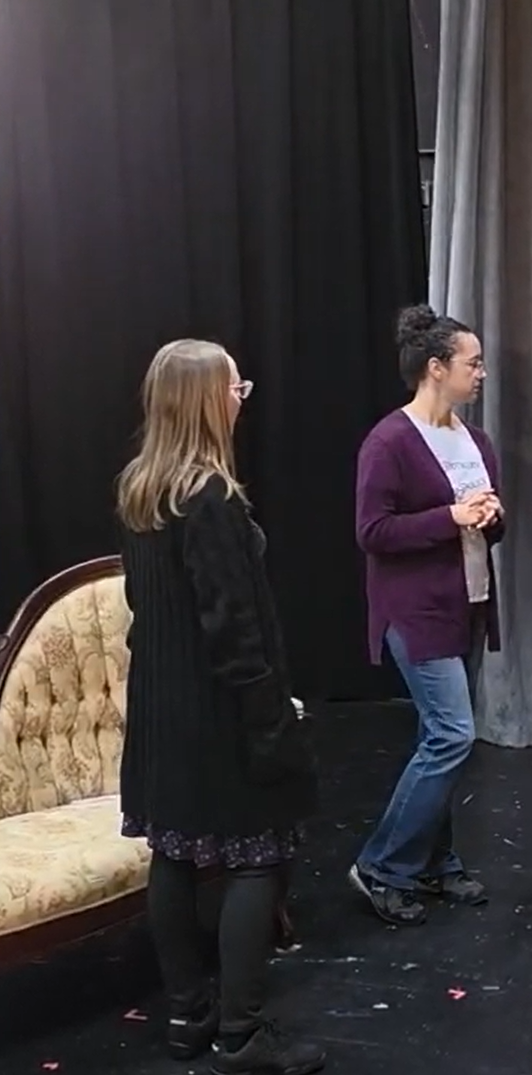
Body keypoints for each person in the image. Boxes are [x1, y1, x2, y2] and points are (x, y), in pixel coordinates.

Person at [117, 340, 323, 1075]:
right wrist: (271, 716)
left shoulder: (142, 490)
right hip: (216, 715)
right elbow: (234, 630)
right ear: (207, 398)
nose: (243, 396)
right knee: (257, 858)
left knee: (173, 851)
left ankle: (186, 1013)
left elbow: (145, 609)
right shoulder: (210, 501)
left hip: (161, 709)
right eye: (236, 385)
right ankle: (239, 1032)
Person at [351, 304, 504, 926]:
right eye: (473, 363)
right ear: (436, 368)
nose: (482, 373)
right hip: (415, 612)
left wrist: (491, 517)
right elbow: (372, 530)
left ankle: (436, 863)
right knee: (451, 735)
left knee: (440, 739)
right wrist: (451, 517)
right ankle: (382, 866)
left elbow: (485, 525)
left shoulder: (477, 441)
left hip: (466, 603)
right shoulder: (390, 441)